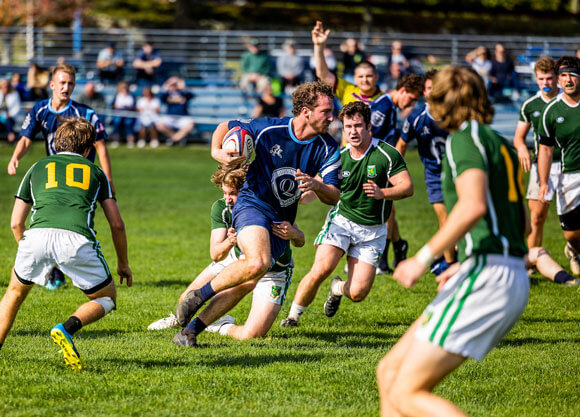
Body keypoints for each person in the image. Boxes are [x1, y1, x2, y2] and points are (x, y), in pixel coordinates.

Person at [378, 65, 530, 417]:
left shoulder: (464, 139)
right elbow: (517, 223)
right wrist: (465, 262)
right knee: (388, 373)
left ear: (443, 99)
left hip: (490, 278)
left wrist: (422, 258)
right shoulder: (500, 144)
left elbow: (473, 206)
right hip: (488, 269)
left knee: (406, 391)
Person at [172, 80, 341, 347]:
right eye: (326, 111)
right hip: (252, 203)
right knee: (257, 263)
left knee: (249, 281)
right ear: (306, 111)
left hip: (280, 218)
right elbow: (225, 126)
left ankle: (189, 332)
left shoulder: (328, 148)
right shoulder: (268, 129)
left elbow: (334, 196)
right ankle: (198, 295)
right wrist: (218, 152)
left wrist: (317, 185)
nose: (332, 117)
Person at [0, 117, 132, 370]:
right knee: (107, 298)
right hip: (76, 239)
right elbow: (117, 224)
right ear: (88, 148)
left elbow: (16, 223)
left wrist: (27, 248)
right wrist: (123, 264)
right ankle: (67, 328)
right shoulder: (96, 172)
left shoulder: (37, 167)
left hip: (35, 237)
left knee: (12, 295)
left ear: (55, 142)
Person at [280, 101, 413, 327]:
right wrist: (304, 193)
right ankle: (292, 317)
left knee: (358, 292)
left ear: (368, 126)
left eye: (358, 126)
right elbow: (320, 185)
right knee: (321, 268)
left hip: (373, 231)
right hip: (342, 222)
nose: (353, 131)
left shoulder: (386, 154)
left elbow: (407, 187)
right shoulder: (338, 157)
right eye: (348, 126)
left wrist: (383, 192)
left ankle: (337, 288)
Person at [149, 166, 306, 341]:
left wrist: (295, 234)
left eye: (232, 193)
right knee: (185, 299)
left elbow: (300, 242)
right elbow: (216, 255)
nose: (227, 199)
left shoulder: (268, 207)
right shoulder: (221, 208)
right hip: (236, 257)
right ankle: (178, 321)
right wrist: (230, 242)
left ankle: (218, 325)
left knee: (252, 335)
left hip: (273, 271)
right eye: (225, 192)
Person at [7, 64, 115, 289]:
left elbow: (101, 147)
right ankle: (51, 267)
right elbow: (26, 137)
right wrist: (15, 156)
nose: (66, 87)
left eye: (71, 84)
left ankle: (71, 267)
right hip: (54, 177)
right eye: (62, 83)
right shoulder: (40, 110)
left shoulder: (84, 114)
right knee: (53, 224)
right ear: (52, 85)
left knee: (77, 225)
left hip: (82, 180)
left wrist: (108, 178)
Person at [395, 70, 456, 275]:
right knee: (445, 220)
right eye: (429, 87)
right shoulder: (416, 117)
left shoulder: (456, 113)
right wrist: (395, 174)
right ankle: (450, 264)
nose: (433, 91)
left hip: (460, 174)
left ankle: (456, 257)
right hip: (434, 175)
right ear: (424, 91)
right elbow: (401, 145)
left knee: (466, 217)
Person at [370, 73, 423, 274]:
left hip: (385, 165)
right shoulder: (382, 107)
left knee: (388, 211)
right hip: (377, 166)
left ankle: (396, 248)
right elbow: (368, 136)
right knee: (384, 212)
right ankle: (381, 260)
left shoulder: (390, 107)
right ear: (402, 90)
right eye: (411, 98)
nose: (411, 103)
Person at [513, 57, 561, 252]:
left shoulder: (569, 101)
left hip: (570, 164)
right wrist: (522, 148)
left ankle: (573, 249)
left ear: (557, 78)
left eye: (549, 78)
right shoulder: (530, 105)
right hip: (540, 165)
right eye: (541, 79)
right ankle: (532, 262)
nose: (545, 83)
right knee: (536, 217)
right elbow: (518, 137)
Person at [538, 55, 580, 276]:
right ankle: (573, 249)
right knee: (572, 234)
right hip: (569, 177)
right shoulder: (551, 111)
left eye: (572, 74)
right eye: (563, 75)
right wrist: (543, 182)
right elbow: (545, 150)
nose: (568, 80)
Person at [312, 21, 382, 107]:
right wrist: (318, 46)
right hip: (347, 76)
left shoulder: (385, 99)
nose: (364, 80)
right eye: (360, 76)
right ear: (355, 78)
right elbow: (322, 74)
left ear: (377, 77)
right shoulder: (347, 90)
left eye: (369, 76)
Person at [155, 76, 195, 146]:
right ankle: (176, 138)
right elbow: (160, 96)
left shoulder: (183, 93)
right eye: (172, 85)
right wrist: (167, 85)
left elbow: (191, 95)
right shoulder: (167, 94)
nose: (174, 86)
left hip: (182, 116)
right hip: (170, 116)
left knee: (190, 125)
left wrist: (183, 87)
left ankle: (173, 139)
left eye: (175, 85)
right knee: (159, 125)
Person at [110, 81, 137, 148]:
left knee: (128, 123)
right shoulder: (117, 96)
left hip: (129, 113)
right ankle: (116, 141)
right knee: (116, 122)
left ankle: (130, 141)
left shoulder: (131, 96)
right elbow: (113, 105)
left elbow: (134, 106)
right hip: (119, 113)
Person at [0, 78, 21, 143]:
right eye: (3, 86)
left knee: (8, 121)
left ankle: (11, 137)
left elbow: (17, 108)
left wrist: (10, 114)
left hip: (10, 116)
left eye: (6, 86)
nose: (5, 88)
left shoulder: (14, 94)